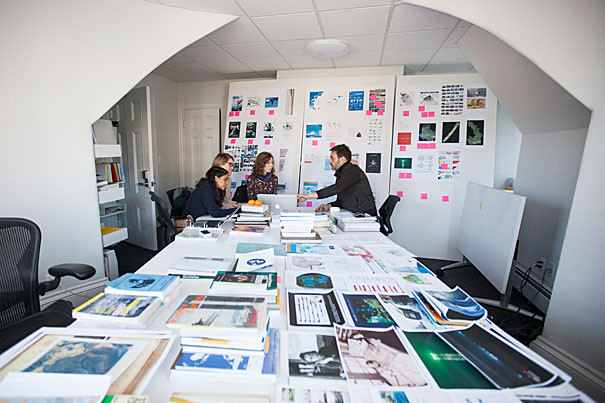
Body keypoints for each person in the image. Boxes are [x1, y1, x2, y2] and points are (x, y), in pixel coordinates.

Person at [297, 144, 377, 215]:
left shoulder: (352, 170)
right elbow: (343, 200)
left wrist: (308, 196)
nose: (330, 161)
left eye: (332, 158)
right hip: (354, 213)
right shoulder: (343, 173)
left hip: (365, 216)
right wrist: (329, 205)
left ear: (342, 159)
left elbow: (337, 188)